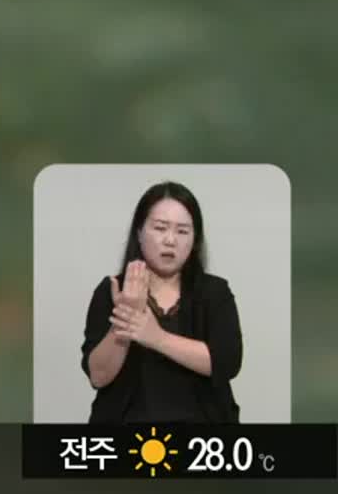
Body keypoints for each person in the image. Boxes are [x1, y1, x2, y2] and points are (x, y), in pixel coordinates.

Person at [81, 181, 243, 423]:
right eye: (160, 228)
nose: (170, 240)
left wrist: (157, 338)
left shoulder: (214, 292)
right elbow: (98, 376)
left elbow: (226, 363)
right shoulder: (112, 290)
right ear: (139, 232)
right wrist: (124, 319)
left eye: (182, 231)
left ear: (194, 239)